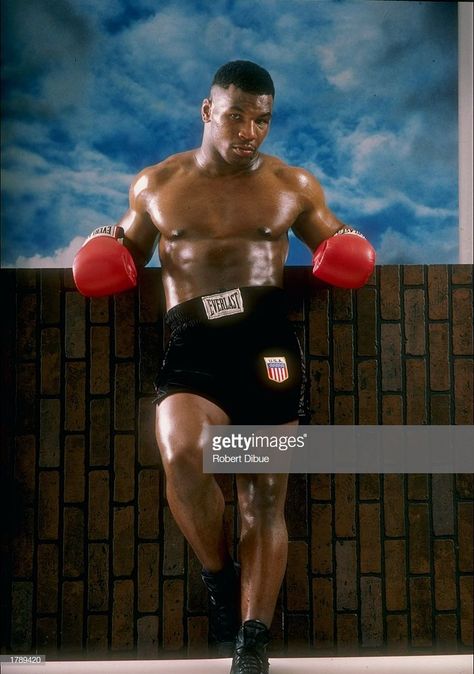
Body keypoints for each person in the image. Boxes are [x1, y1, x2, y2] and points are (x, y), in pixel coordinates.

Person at [73, 60, 375, 674]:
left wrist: (345, 243)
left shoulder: (293, 185)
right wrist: (103, 242)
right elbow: (125, 247)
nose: (249, 131)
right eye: (237, 115)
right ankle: (219, 577)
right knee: (184, 453)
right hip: (193, 349)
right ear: (209, 111)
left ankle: (251, 640)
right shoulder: (156, 185)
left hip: (266, 351)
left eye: (261, 119)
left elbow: (332, 238)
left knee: (263, 499)